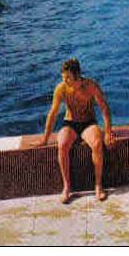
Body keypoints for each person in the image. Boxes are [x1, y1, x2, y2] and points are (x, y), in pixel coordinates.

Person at [35, 58, 114, 203]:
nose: (65, 80)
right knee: (62, 144)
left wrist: (108, 132)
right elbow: (52, 114)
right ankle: (67, 187)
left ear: (77, 75)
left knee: (97, 144)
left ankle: (98, 185)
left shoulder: (91, 86)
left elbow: (104, 108)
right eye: (63, 77)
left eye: (68, 78)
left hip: (88, 123)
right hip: (70, 123)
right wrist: (45, 139)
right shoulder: (61, 89)